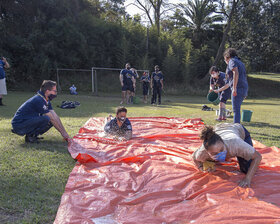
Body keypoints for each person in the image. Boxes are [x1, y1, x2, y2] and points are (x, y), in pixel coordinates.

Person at [192, 123, 262, 188]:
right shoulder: (202, 152)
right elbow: (194, 157)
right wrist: (201, 168)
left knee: (246, 169)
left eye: (222, 149)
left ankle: (238, 154)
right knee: (206, 160)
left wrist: (247, 178)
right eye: (215, 153)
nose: (220, 153)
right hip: (219, 128)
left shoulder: (236, 144)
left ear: (223, 143)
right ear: (207, 152)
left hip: (238, 129)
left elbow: (257, 157)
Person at [214, 48, 248, 123]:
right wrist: (219, 90)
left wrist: (234, 88)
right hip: (243, 88)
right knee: (237, 109)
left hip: (238, 88)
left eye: (224, 59)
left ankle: (236, 127)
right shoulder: (240, 62)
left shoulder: (232, 61)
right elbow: (228, 84)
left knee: (236, 110)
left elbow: (235, 72)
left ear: (227, 56)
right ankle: (237, 126)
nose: (225, 61)